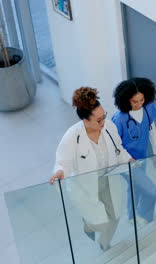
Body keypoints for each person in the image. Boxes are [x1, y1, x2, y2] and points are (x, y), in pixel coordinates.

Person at [50, 87, 132, 251]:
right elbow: (62, 161)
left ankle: (104, 243)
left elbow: (119, 149)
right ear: (86, 121)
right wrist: (59, 171)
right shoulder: (72, 136)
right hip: (85, 187)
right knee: (101, 223)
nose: (103, 123)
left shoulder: (109, 127)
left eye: (104, 117)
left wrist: (128, 159)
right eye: (98, 120)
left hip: (109, 180)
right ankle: (89, 225)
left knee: (115, 216)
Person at [112, 78, 156, 224]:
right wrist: (128, 159)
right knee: (150, 190)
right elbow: (115, 145)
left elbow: (151, 129)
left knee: (135, 187)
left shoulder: (148, 108)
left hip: (142, 157)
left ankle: (131, 216)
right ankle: (144, 215)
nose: (139, 104)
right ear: (126, 100)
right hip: (126, 163)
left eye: (142, 100)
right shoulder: (119, 119)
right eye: (135, 101)